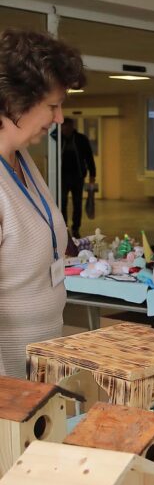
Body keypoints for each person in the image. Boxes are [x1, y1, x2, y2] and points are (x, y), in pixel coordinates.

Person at [0, 28, 85, 378]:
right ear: (14, 101)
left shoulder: (22, 159)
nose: (60, 118)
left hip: (40, 366)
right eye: (53, 105)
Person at [60, 117, 96, 238]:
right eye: (63, 126)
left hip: (77, 177)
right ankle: (63, 227)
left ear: (72, 127)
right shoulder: (57, 139)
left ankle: (76, 228)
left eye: (67, 126)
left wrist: (92, 175)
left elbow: (89, 158)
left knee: (77, 203)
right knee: (62, 202)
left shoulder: (81, 139)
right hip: (62, 177)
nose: (65, 129)